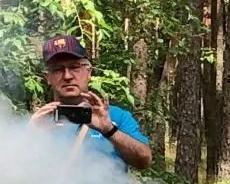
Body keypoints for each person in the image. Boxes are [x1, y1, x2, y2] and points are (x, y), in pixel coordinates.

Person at [26, 35, 152, 171]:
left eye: (74, 67)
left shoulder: (116, 116)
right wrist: (29, 135)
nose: (67, 76)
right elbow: (11, 177)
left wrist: (109, 130)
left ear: (88, 72)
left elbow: (143, 161)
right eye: (57, 70)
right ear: (48, 78)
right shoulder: (40, 120)